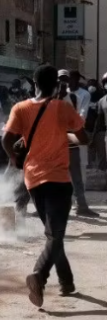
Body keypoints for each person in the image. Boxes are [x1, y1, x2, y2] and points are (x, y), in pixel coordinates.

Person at [2, 65, 90, 307]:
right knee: (55, 234)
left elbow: (6, 139)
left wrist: (15, 159)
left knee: (54, 234)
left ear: (34, 83)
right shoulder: (63, 108)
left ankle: (67, 282)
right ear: (57, 85)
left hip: (33, 181)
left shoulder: (20, 108)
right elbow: (85, 138)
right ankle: (39, 276)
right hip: (58, 180)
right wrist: (67, 136)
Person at [58, 70, 98, 217]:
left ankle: (80, 204)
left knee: (78, 171)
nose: (65, 82)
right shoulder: (55, 93)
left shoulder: (83, 94)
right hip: (57, 135)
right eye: (61, 79)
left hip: (75, 134)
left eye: (66, 79)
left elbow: (81, 116)